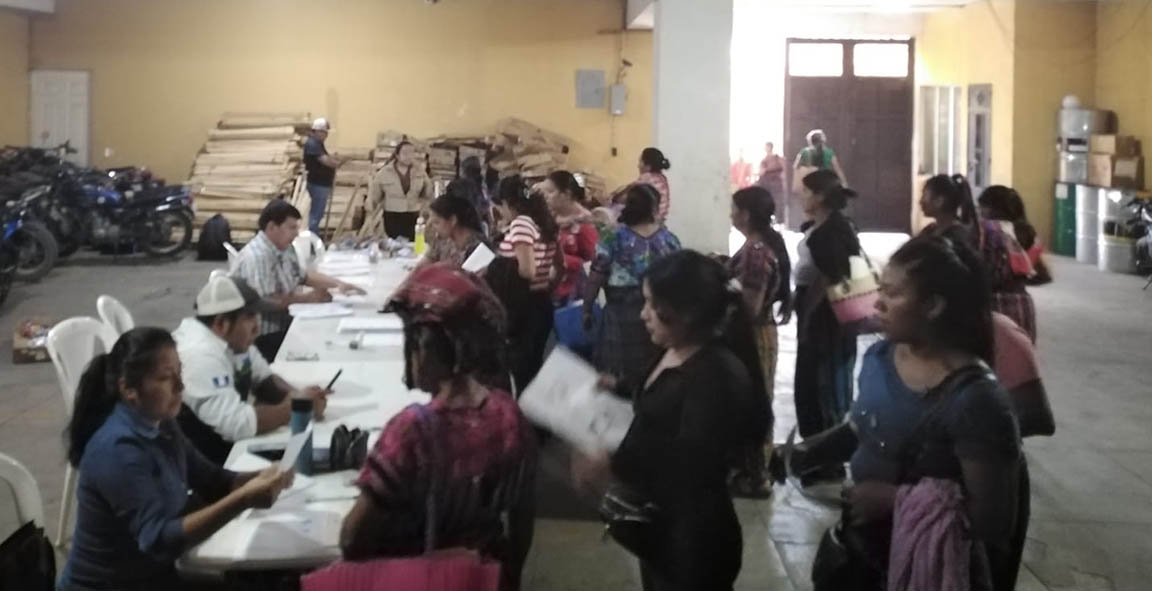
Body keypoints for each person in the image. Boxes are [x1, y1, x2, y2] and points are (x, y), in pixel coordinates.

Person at [778, 236, 1023, 591]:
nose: (877, 302)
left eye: (892, 294)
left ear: (933, 306)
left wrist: (893, 501)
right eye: (881, 289)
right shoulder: (881, 357)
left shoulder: (976, 400)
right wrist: (804, 453)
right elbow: (862, 428)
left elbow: (993, 520)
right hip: (867, 555)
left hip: (931, 568)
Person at [578, 250, 768, 590]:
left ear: (689, 312)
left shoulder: (715, 377)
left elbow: (688, 466)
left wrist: (610, 465)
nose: (643, 314)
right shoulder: (678, 347)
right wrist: (618, 386)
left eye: (653, 306)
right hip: (663, 528)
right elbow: (659, 393)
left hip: (693, 540)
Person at [340, 265, 537, 591]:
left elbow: (351, 540)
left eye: (413, 343)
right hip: (484, 577)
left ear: (428, 349)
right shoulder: (509, 415)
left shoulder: (411, 432)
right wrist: (509, 576)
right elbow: (522, 519)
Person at [59, 328, 293, 591]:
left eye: (180, 373)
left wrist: (264, 477)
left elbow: (213, 480)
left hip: (155, 576)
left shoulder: (162, 424)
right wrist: (243, 499)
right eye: (165, 378)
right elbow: (159, 541)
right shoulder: (118, 450)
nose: (180, 387)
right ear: (128, 389)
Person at [173, 276, 329, 464]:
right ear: (222, 323)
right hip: (207, 463)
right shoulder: (199, 356)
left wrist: (298, 395)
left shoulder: (232, 339)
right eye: (249, 317)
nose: (257, 327)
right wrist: (297, 408)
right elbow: (236, 424)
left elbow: (264, 378)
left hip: (228, 448)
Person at [231, 200, 365, 360]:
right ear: (272, 227)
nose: (296, 233)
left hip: (285, 322)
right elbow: (266, 301)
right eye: (291, 227)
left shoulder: (285, 247)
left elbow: (303, 276)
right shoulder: (258, 256)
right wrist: (308, 298)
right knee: (324, 349)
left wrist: (338, 284)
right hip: (262, 335)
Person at [727, 186, 792, 496]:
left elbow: (749, 307)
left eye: (734, 209)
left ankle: (756, 475)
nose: (730, 215)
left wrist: (723, 287)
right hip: (756, 333)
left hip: (750, 335)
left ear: (745, 215)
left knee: (753, 402)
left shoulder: (756, 252)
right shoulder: (760, 246)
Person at [584, 184, 681, 391]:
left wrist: (587, 308)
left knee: (617, 369)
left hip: (620, 315)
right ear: (655, 208)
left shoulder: (613, 238)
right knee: (652, 368)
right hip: (659, 316)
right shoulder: (669, 240)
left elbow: (596, 276)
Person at [793, 170, 861, 445]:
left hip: (824, 321)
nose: (801, 196)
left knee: (821, 384)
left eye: (806, 192)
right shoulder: (828, 227)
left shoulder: (828, 233)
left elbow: (828, 279)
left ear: (820, 197)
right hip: (824, 319)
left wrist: (808, 315)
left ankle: (823, 450)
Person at [493, 176, 561, 393]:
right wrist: (546, 287)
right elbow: (561, 267)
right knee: (532, 370)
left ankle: (523, 414)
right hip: (541, 303)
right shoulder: (544, 221)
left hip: (523, 308)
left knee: (522, 373)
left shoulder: (522, 223)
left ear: (507, 203)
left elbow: (527, 270)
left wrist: (497, 268)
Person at [975, 186, 1039, 342]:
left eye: (982, 207)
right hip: (1022, 304)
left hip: (995, 305)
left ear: (993, 209)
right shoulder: (1027, 231)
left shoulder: (990, 231)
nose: (979, 212)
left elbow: (987, 274)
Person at [541, 170, 598, 304]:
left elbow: (593, 262)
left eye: (550, 192)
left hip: (574, 293)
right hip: (550, 287)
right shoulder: (549, 219)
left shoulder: (585, 224)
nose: (545, 197)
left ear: (566, 194)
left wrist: (562, 260)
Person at [371, 141, 433, 240]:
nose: (409, 156)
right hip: (392, 215)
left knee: (412, 243)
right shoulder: (384, 173)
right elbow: (375, 197)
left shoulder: (420, 172)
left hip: (413, 213)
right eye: (405, 153)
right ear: (397, 155)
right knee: (394, 243)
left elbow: (427, 192)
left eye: (412, 153)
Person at [302, 117, 347, 234]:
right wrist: (340, 162)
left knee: (317, 213)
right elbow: (328, 162)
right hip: (318, 184)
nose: (326, 135)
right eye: (324, 132)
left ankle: (312, 235)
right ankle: (311, 237)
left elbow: (324, 158)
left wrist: (333, 158)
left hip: (321, 184)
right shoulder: (312, 144)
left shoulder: (318, 144)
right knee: (315, 214)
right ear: (317, 131)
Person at [422, 194, 489, 269]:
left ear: (453, 220)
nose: (433, 227)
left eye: (436, 222)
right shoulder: (442, 240)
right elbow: (422, 265)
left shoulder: (478, 247)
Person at [614, 147, 672, 223]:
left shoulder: (646, 178)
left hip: (649, 221)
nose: (638, 165)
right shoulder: (662, 178)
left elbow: (621, 198)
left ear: (648, 166)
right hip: (660, 220)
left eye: (640, 161)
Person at [918, 174, 977, 246]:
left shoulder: (956, 237)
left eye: (925, 195)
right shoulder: (930, 230)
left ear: (939, 201)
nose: (920, 201)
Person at [756, 141, 787, 207]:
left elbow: (782, 167)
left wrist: (766, 170)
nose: (766, 148)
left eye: (767, 147)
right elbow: (761, 171)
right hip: (767, 183)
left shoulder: (776, 157)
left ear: (770, 147)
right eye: (766, 147)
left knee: (777, 200)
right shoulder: (764, 160)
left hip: (776, 182)